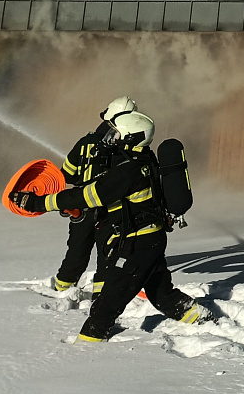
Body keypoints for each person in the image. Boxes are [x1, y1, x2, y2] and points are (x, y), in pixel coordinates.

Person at [11, 111, 211, 342]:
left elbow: (88, 196)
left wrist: (37, 202)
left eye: (116, 135)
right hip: (151, 239)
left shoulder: (128, 171)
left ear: (130, 138)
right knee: (161, 294)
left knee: (107, 303)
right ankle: (204, 319)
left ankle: (87, 345)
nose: (110, 139)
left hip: (137, 244)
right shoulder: (144, 159)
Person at [49, 95, 136, 294]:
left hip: (81, 210)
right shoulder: (125, 146)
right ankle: (101, 296)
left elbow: (67, 174)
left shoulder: (85, 142)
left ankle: (61, 290)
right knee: (107, 255)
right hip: (110, 211)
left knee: (76, 253)